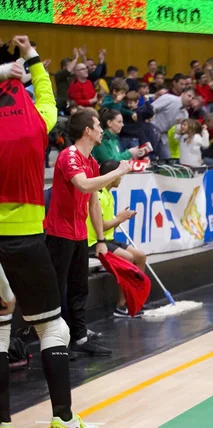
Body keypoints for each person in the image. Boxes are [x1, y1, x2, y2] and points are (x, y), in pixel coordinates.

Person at [0, 34, 99, 428]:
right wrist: (32, 57)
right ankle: (63, 418)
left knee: (1, 331)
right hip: (25, 236)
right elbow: (47, 94)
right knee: (51, 327)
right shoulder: (37, 118)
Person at [45, 108, 132, 358]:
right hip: (60, 233)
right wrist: (117, 172)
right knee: (57, 289)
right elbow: (82, 184)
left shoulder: (92, 161)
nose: (101, 130)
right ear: (87, 130)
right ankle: (54, 341)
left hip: (79, 234)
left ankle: (80, 337)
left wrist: (101, 240)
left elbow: (93, 202)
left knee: (79, 288)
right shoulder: (69, 156)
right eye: (98, 126)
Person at [86, 160, 147, 317]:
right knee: (128, 258)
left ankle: (135, 299)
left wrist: (121, 217)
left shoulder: (108, 194)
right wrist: (121, 218)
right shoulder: (98, 195)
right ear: (112, 176)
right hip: (94, 243)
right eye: (120, 176)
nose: (121, 179)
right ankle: (121, 305)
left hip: (109, 240)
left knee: (140, 256)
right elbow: (101, 226)